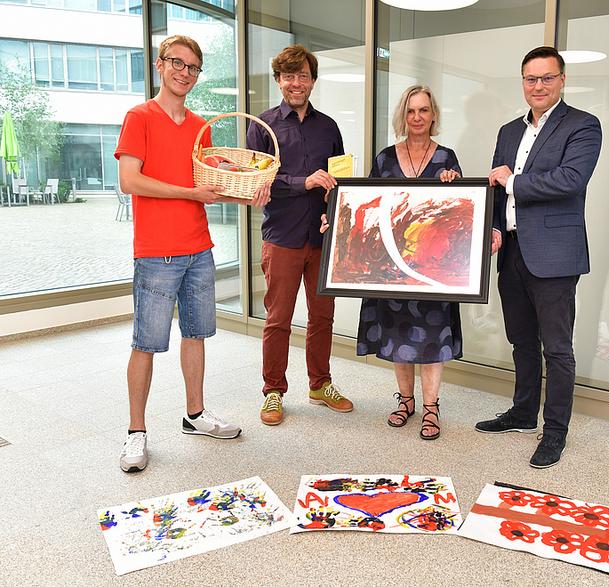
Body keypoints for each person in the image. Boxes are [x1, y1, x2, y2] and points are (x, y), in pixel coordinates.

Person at [115, 35, 271, 473]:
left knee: (196, 335)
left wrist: (250, 196)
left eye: (193, 67)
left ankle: (195, 414)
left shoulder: (201, 126)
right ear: (160, 66)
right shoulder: (138, 117)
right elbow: (131, 181)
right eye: (177, 64)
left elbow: (212, 187)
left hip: (199, 248)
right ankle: (135, 432)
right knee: (146, 343)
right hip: (156, 253)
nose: (185, 72)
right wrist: (189, 192)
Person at [475, 46, 602, 468]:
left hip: (554, 256)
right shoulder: (509, 130)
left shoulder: (583, 125)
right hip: (511, 251)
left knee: (558, 350)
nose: (538, 86)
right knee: (521, 341)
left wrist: (514, 181)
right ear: (523, 82)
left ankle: (555, 433)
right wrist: (495, 225)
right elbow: (496, 187)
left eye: (547, 78)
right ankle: (523, 413)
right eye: (531, 79)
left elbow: (570, 180)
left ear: (562, 80)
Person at [246, 44, 353, 426]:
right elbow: (255, 181)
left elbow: (340, 177)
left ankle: (320, 384)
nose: (297, 83)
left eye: (303, 76)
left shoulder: (329, 127)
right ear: (279, 80)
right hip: (282, 237)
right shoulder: (263, 126)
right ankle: (273, 391)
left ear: (312, 81)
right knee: (278, 318)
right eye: (289, 76)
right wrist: (301, 181)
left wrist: (334, 194)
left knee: (323, 316)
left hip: (323, 238)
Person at [357, 84, 462, 440]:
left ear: (433, 116)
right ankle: (405, 401)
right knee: (399, 333)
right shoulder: (385, 158)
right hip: (392, 270)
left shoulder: (447, 158)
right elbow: (369, 206)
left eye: (424, 110)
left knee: (432, 335)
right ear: (403, 116)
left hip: (432, 271)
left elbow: (460, 212)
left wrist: (454, 185)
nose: (417, 117)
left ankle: (431, 407)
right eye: (411, 111)